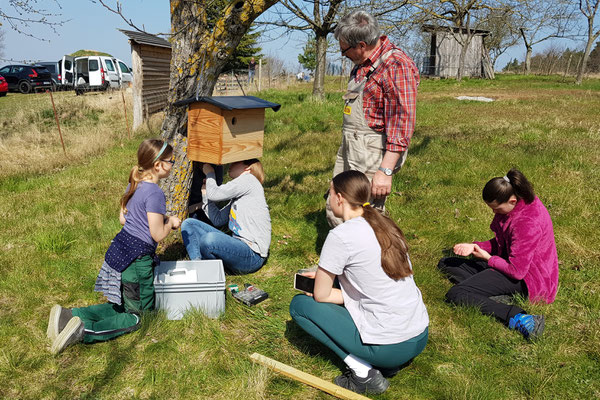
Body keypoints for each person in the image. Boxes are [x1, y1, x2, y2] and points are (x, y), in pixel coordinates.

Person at [290, 170, 429, 395]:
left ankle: (363, 373)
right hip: (419, 334)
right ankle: (386, 363)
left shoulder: (340, 235)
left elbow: (322, 296)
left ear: (339, 198)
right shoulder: (386, 224)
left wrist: (324, 289)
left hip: (390, 345)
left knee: (301, 306)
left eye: (330, 193)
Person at [47, 139, 181, 354]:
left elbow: (123, 219)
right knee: (138, 316)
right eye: (171, 161)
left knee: (123, 306)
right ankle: (82, 331)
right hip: (137, 262)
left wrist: (159, 218)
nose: (173, 164)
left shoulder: (135, 182)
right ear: (158, 165)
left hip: (119, 254)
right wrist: (170, 223)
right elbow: (156, 234)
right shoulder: (155, 193)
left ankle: (70, 315)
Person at [438, 169, 558, 340]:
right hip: (512, 265)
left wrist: (488, 258)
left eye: (496, 208)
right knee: (447, 263)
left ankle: (520, 317)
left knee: (456, 294)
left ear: (512, 200)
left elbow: (517, 271)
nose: (494, 213)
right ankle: (489, 295)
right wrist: (474, 247)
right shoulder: (518, 204)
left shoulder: (526, 223)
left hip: (529, 280)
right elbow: (506, 244)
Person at [326, 10, 419, 227]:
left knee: (364, 216)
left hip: (371, 153)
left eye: (344, 50)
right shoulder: (363, 63)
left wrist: (385, 171)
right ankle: (341, 258)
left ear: (361, 45)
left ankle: (378, 260)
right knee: (336, 204)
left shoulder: (396, 65)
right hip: (351, 147)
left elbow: (401, 121)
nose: (343, 55)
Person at [181, 159, 271, 275]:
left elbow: (215, 194)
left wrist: (210, 173)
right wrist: (205, 194)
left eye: (235, 162)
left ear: (247, 168)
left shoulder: (249, 180)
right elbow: (218, 220)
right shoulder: (240, 195)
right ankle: (199, 266)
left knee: (209, 239)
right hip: (238, 246)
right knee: (189, 224)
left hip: (252, 256)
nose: (230, 164)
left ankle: (210, 272)